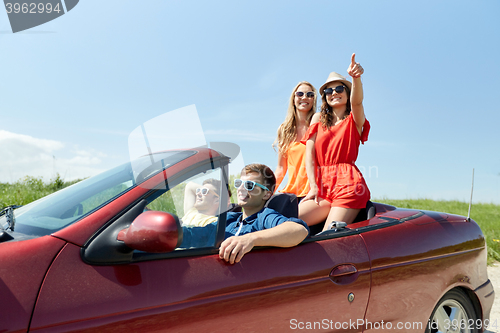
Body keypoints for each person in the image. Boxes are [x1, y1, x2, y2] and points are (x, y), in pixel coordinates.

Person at [181, 163, 309, 264]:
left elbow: (299, 231)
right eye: (239, 183)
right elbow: (195, 235)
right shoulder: (229, 219)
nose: (241, 188)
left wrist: (250, 239)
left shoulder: (264, 217)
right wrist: (170, 235)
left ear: (266, 194)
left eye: (249, 185)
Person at [299, 54, 371, 230]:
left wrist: (356, 78)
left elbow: (358, 102)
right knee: (287, 223)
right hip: (321, 187)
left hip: (348, 185)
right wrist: (313, 187)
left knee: (328, 235)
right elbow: (309, 155)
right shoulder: (317, 118)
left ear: (347, 92)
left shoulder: (354, 119)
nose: (334, 93)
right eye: (328, 91)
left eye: (339, 89)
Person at [273, 81, 317, 200]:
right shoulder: (284, 130)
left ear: (314, 100)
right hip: (292, 194)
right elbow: (281, 169)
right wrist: (268, 192)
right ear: (293, 99)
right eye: (300, 94)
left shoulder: (320, 125)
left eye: (310, 95)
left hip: (315, 192)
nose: (305, 97)